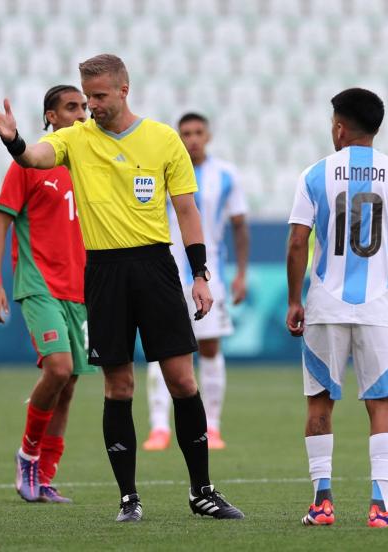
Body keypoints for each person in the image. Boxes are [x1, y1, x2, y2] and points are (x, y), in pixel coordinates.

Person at [0, 54, 244, 522]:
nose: (93, 106)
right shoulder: (75, 138)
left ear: (124, 90)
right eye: (88, 98)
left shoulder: (164, 139)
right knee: (118, 385)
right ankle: (129, 497)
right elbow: (34, 156)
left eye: (100, 97)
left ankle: (201, 491)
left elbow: (187, 211)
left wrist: (201, 274)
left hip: (156, 266)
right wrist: (14, 141)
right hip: (103, 272)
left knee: (182, 379)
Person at [286, 88, 388, 528]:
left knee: (319, 404)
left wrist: (295, 299)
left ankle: (322, 504)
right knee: (382, 407)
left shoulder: (314, 174)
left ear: (338, 127)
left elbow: (298, 241)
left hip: (325, 307)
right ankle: (380, 506)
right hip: (380, 310)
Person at [0, 84, 97, 504]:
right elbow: (0, 223)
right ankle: (27, 454)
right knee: (58, 368)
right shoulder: (28, 165)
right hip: (39, 284)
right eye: (71, 107)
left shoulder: (86, 164)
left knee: (68, 384)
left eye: (84, 106)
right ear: (50, 116)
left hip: (81, 289)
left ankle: (45, 477)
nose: (81, 114)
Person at [143, 113, 249, 452]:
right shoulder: (163, 169)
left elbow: (239, 226)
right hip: (165, 273)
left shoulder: (226, 175)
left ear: (209, 135)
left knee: (210, 348)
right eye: (185, 133)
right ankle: (159, 426)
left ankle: (212, 426)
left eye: (198, 132)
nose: (192, 139)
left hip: (209, 274)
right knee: (164, 348)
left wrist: (241, 274)